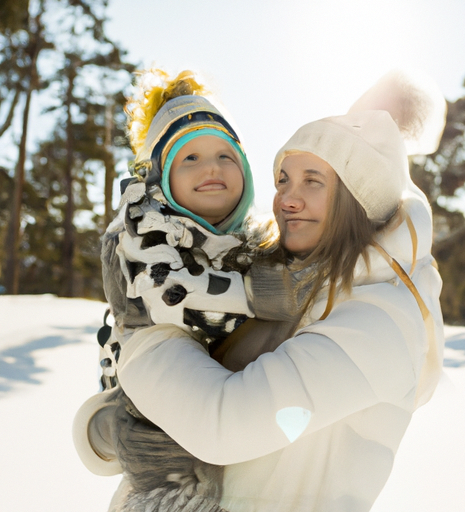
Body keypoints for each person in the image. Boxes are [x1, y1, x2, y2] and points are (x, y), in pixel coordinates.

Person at [77, 70, 447, 512]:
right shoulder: (283, 283)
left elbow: (222, 424)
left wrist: (145, 341)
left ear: (357, 196)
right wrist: (104, 428)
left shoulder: (381, 322)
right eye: (283, 180)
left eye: (313, 181)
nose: (286, 199)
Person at [75, 69, 300, 512]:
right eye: (189, 158)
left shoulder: (252, 240)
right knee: (174, 486)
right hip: (152, 410)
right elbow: (174, 296)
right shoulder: (141, 230)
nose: (211, 167)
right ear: (160, 177)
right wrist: (272, 292)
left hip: (227, 412)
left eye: (225, 155)